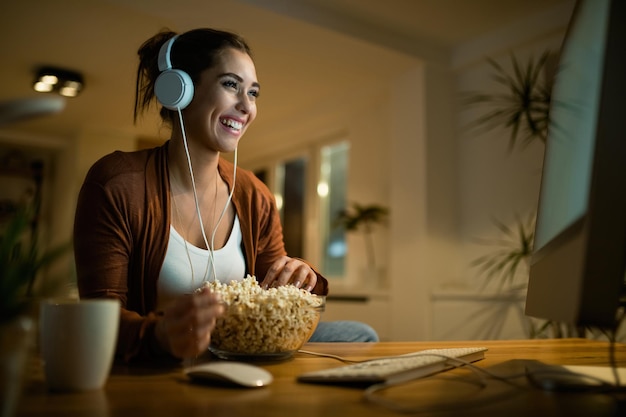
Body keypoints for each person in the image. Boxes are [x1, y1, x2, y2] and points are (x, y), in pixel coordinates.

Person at [74, 28, 378, 364]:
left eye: (254, 92)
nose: (246, 106)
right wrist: (160, 335)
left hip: (241, 351)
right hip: (162, 358)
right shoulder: (117, 183)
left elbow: (274, 293)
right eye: (231, 84)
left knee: (362, 335)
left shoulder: (254, 194)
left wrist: (302, 278)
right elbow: (96, 321)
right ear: (180, 89)